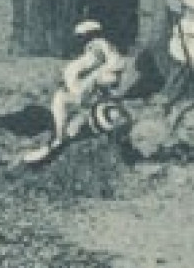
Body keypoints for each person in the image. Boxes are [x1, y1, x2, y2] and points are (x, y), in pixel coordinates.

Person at [22, 19, 135, 165]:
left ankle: (59, 138)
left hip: (95, 97)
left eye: (82, 37)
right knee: (73, 115)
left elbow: (107, 64)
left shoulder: (98, 46)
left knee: (60, 99)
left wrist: (89, 77)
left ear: (88, 35)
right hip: (99, 98)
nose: (80, 41)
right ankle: (60, 139)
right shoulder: (103, 48)